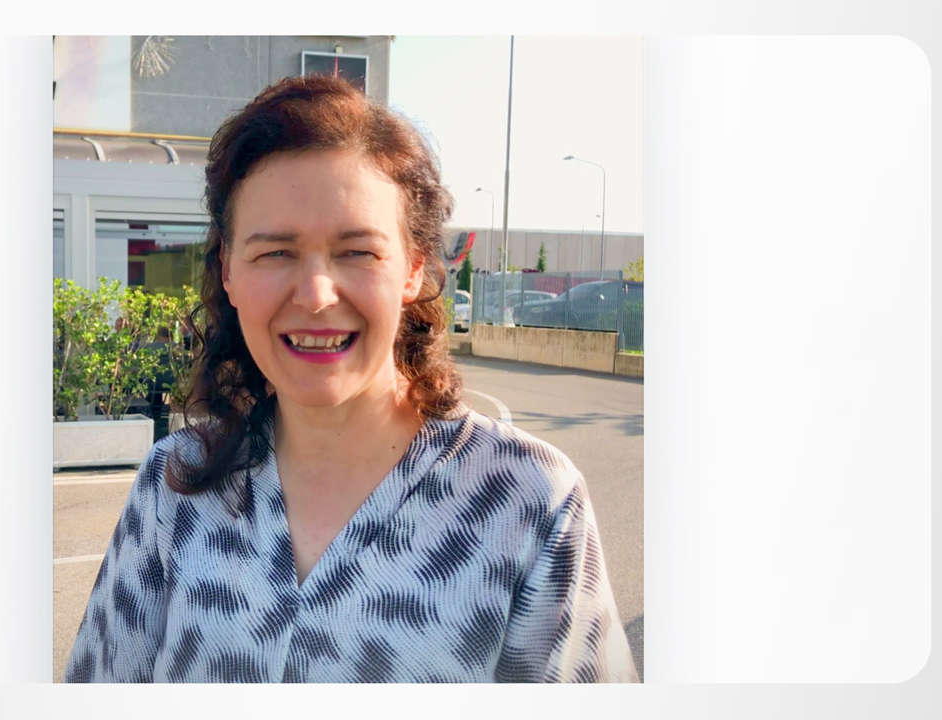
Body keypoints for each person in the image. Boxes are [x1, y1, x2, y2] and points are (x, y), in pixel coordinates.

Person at [64, 75, 638, 683]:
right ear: (228, 271)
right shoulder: (176, 485)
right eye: (275, 252)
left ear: (413, 268)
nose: (316, 295)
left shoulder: (527, 502)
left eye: (357, 251)